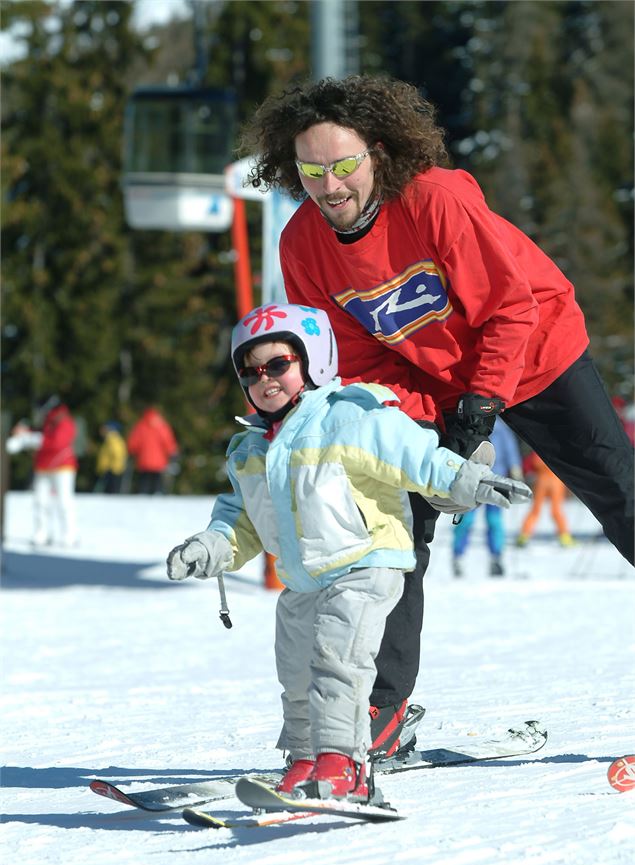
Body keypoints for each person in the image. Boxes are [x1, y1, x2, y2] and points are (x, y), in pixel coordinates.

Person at [240, 74, 635, 754]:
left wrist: (478, 414)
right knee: (392, 526)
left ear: (379, 154)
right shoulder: (302, 242)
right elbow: (359, 357)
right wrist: (420, 442)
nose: (329, 187)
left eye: (343, 166)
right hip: (427, 382)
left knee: (621, 497)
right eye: (311, 172)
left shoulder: (434, 201)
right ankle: (381, 715)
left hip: (537, 355)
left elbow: (511, 310)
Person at [166, 303, 530, 802]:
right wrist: (210, 547)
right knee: (295, 673)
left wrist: (468, 478)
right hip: (305, 578)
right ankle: (306, 759)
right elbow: (242, 519)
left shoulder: (350, 417)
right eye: (250, 372)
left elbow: (416, 457)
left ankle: (345, 764)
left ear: (312, 361)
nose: (264, 380)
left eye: (278, 365)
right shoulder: (250, 449)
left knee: (336, 659)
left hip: (367, 562)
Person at [452, 417, 523, 577]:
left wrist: (515, 467)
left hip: (495, 480)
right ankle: (458, 556)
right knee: (466, 521)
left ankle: (496, 557)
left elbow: (510, 449)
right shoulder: (470, 423)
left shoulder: (501, 428)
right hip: (472, 480)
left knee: (494, 521)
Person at [6, 395, 78, 546]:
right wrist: (26, 433)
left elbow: (57, 442)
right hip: (43, 466)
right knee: (40, 502)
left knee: (64, 502)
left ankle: (69, 535)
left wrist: (32, 438)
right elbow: (42, 434)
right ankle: (41, 533)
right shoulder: (48, 421)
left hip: (63, 467)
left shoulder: (65, 421)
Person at [516, 452, 575, 548]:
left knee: (536, 510)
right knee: (555, 510)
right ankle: (565, 537)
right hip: (556, 480)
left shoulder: (539, 448)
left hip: (542, 480)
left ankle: (524, 535)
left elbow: (528, 464)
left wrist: (527, 472)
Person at [127, 406, 179, 495]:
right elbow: (169, 442)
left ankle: (143, 493)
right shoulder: (162, 426)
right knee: (157, 479)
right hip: (159, 461)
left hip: (144, 460)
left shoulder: (140, 426)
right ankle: (157, 493)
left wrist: (132, 452)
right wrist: (173, 453)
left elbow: (133, 443)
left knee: (144, 479)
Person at [95, 422, 128, 494]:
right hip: (112, 469)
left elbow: (117, 454)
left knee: (110, 493)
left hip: (111, 470)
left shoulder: (112, 439)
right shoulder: (112, 439)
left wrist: (110, 466)